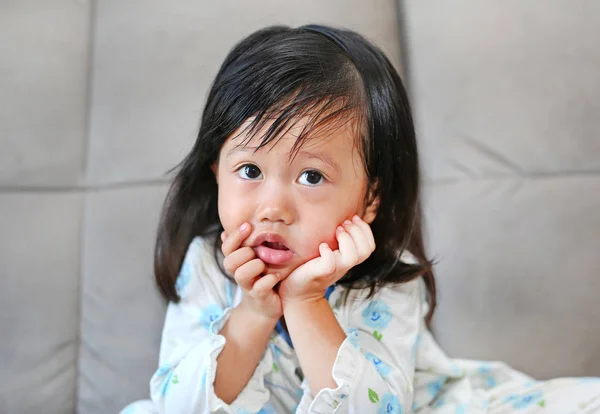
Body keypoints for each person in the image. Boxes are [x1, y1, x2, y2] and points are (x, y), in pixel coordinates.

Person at [121, 24, 600, 414]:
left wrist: (306, 301)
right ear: (216, 173)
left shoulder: (387, 276)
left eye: (311, 177)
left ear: (369, 199)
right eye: (249, 170)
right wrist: (252, 312)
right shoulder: (209, 263)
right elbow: (180, 406)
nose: (273, 207)